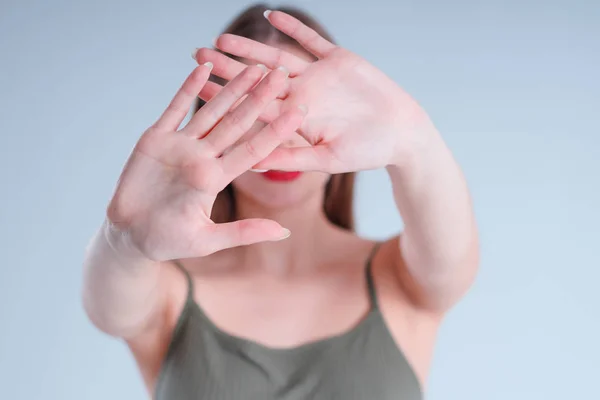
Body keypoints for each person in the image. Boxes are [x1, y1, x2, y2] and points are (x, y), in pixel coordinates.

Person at [82, 4, 479, 399]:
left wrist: (414, 140)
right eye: (250, 108)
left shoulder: (399, 278)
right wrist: (124, 237)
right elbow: (107, 309)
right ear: (210, 125)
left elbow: (452, 260)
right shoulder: (168, 293)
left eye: (296, 106)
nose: (278, 134)